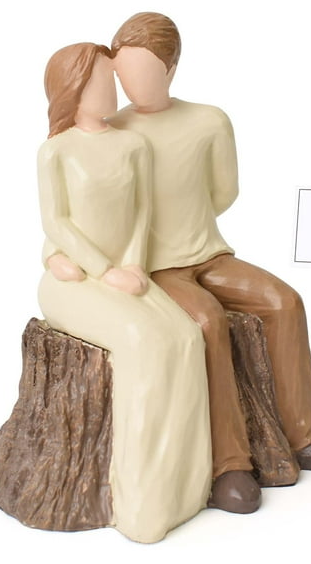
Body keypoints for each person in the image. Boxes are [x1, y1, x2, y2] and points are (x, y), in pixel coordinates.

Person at [103, 12, 311, 513]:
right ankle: (228, 464)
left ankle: (304, 433)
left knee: (284, 301)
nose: (132, 84)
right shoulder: (115, 130)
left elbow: (224, 192)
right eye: (124, 74)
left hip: (210, 253)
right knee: (208, 322)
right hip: (154, 266)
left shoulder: (209, 121)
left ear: (171, 69)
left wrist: (191, 229)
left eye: (144, 72)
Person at [37, 42, 212, 543]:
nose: (110, 89)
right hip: (77, 281)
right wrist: (103, 270)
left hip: (127, 273)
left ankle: (186, 487)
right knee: (145, 344)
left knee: (185, 338)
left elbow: (140, 213)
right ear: (73, 89)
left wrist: (133, 264)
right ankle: (141, 501)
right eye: (98, 81)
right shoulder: (57, 151)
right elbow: (57, 222)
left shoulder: (133, 145)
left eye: (110, 78)